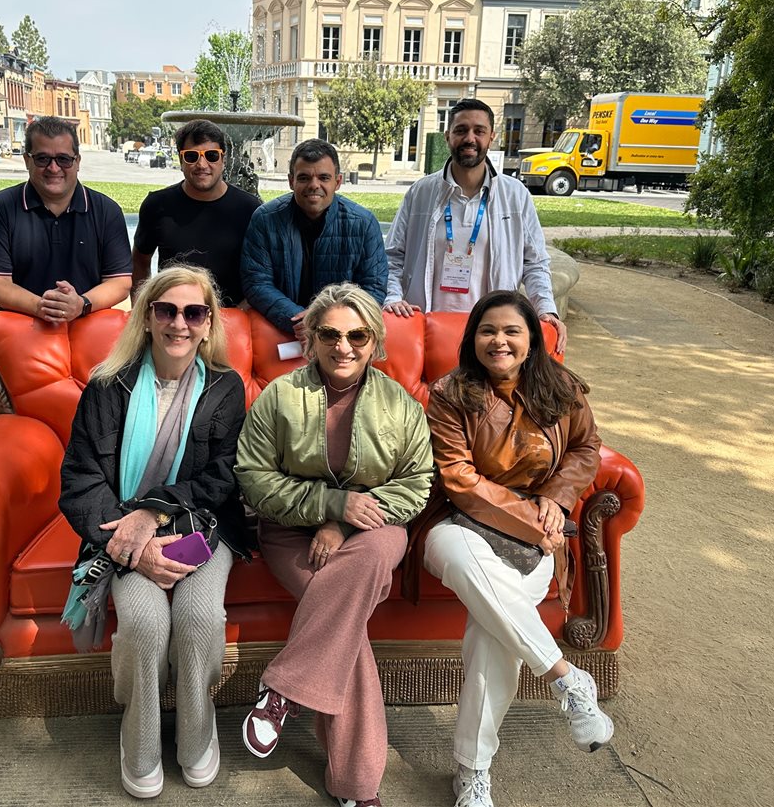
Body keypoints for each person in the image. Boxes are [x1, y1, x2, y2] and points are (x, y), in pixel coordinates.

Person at [403, 290, 612, 807]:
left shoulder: (560, 387)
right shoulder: (452, 393)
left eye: (511, 331)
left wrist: (558, 501)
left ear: (531, 340)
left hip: (540, 529)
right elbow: (458, 478)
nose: (499, 340)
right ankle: (565, 677)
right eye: (488, 330)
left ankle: (472, 770)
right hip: (458, 521)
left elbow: (587, 447)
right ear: (472, 339)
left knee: (493, 632)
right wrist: (532, 519)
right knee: (453, 547)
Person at [234, 282, 433, 807]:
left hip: (376, 532)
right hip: (289, 533)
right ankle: (356, 787)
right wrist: (329, 505)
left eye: (357, 336)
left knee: (365, 562)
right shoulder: (281, 397)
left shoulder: (399, 404)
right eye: (330, 335)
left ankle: (282, 688)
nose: (343, 347)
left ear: (375, 342)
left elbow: (415, 484)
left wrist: (345, 524)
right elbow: (253, 478)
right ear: (312, 340)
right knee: (348, 634)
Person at [57, 265, 248, 799]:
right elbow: (80, 479)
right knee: (141, 621)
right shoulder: (106, 386)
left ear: (208, 323)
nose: (179, 324)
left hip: (202, 528)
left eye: (193, 312)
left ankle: (196, 734)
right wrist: (134, 544)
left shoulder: (226, 388)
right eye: (166, 310)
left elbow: (222, 477)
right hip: (119, 530)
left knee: (199, 615)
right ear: (146, 318)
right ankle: (139, 743)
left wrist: (153, 515)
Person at [383, 99, 568, 354]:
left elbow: (534, 262)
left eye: (479, 131)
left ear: (491, 136)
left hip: (491, 335)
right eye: (461, 130)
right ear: (448, 136)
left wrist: (546, 309)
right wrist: (393, 298)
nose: (470, 138)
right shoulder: (421, 192)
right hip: (428, 328)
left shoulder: (515, 195)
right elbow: (392, 257)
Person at [0, 116, 131, 323]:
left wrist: (81, 304)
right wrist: (41, 306)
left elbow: (120, 282)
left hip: (89, 325)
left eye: (63, 159)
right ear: (27, 160)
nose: (53, 168)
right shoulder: (0, 208)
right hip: (23, 327)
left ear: (77, 161)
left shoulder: (107, 211)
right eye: (42, 159)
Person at [240, 140, 387, 340]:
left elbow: (373, 288)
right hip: (282, 330)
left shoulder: (363, 224)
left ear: (338, 182)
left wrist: (327, 321)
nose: (314, 185)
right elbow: (256, 282)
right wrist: (298, 319)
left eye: (323, 177)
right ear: (291, 181)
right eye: (304, 177)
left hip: (343, 335)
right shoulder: (266, 219)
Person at [131, 119, 260, 307]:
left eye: (212, 156)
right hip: (174, 321)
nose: (202, 164)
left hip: (231, 318)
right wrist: (141, 311)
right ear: (181, 160)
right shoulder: (157, 205)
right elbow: (140, 262)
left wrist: (240, 315)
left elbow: (261, 276)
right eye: (191, 156)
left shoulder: (250, 208)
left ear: (223, 160)